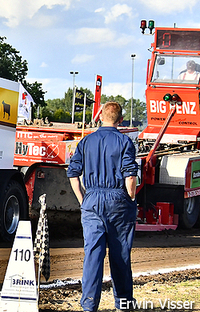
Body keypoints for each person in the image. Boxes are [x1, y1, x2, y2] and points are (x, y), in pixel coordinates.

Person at [67, 102, 138, 311]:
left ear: (100, 118)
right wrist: (131, 198)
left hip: (92, 200)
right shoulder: (125, 141)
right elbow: (130, 176)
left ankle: (89, 305)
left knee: (93, 254)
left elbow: (72, 173)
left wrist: (83, 200)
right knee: (120, 255)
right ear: (120, 120)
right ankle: (123, 304)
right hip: (118, 201)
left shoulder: (86, 141)